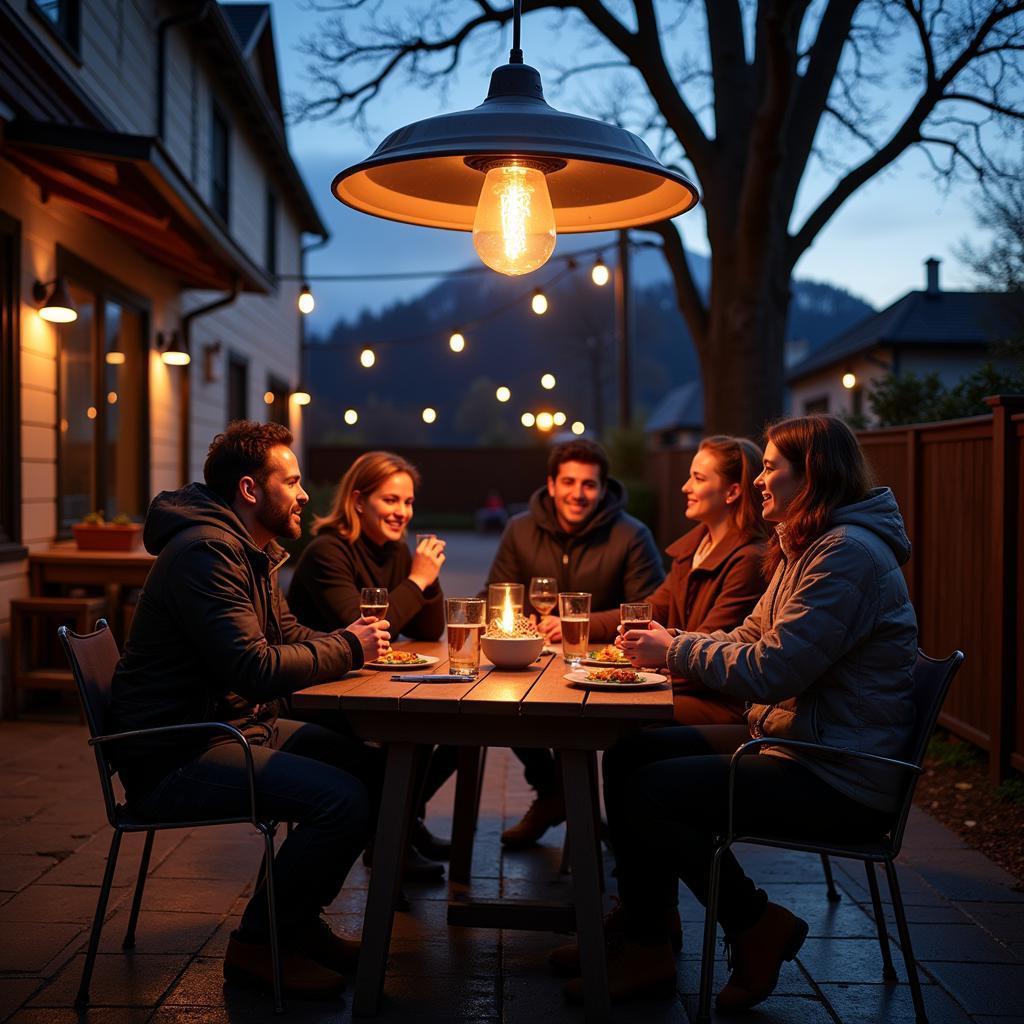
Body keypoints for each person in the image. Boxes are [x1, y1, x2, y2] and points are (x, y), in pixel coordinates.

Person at [563, 415, 917, 1009]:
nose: (759, 481)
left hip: (837, 772)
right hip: (798, 743)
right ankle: (646, 931)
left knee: (653, 791)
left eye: (772, 468)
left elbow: (775, 669)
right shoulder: (807, 546)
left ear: (813, 477)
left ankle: (752, 923)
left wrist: (673, 648)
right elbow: (751, 634)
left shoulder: (845, 556)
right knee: (631, 750)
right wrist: (669, 636)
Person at [109, 421, 390, 998]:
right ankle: (257, 945)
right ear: (250, 489)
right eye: (292, 481)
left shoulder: (246, 550)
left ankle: (295, 922)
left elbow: (286, 634)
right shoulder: (205, 554)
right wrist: (347, 648)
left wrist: (353, 645)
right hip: (177, 751)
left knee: (372, 768)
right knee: (342, 801)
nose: (306, 494)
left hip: (228, 729)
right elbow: (255, 668)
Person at [485, 438, 665, 847]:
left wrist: (577, 623)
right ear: (551, 484)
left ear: (603, 489)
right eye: (569, 481)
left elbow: (649, 609)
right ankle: (556, 795)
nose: (578, 493)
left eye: (589, 484)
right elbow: (493, 595)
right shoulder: (519, 528)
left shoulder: (632, 534)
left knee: (605, 733)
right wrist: (516, 622)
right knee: (503, 701)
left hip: (606, 665)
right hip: (534, 658)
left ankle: (570, 805)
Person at [288, 451, 454, 868]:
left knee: (459, 733)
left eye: (408, 502)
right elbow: (363, 632)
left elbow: (429, 631)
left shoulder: (394, 552)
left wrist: (428, 582)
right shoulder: (328, 552)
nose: (402, 512)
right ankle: (391, 834)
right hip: (320, 693)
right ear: (358, 500)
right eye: (391, 500)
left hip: (366, 684)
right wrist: (417, 579)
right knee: (410, 739)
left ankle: (400, 822)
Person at [589, 435, 769, 725]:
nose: (686, 487)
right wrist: (575, 624)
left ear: (732, 491)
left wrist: (639, 670)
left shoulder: (748, 560)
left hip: (718, 700)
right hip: (681, 684)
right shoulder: (693, 550)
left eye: (698, 478)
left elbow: (708, 650)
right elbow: (650, 610)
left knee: (617, 714)